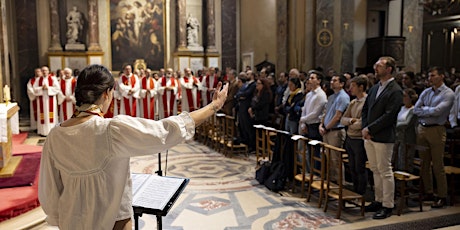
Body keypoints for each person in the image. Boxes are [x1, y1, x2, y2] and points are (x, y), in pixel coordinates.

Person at [38, 64, 228, 230]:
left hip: (72, 223)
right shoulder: (109, 129)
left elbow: (49, 192)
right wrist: (214, 106)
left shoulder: (54, 136)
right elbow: (165, 131)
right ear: (106, 93)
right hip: (112, 223)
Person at [362, 56, 403, 219]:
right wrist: (365, 127)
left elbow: (389, 116)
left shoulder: (395, 90)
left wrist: (371, 128)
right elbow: (365, 110)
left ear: (389, 69)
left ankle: (387, 205)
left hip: (383, 136)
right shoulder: (374, 88)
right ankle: (378, 200)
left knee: (385, 171)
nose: (375, 68)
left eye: (379, 66)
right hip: (369, 135)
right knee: (374, 169)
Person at [413, 66, 455, 208]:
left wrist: (425, 110)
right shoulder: (426, 92)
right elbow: (416, 109)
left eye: (433, 75)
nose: (429, 78)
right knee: (423, 164)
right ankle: (429, 191)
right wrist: (426, 111)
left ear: (441, 76)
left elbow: (438, 111)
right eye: (429, 76)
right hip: (422, 129)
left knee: (438, 165)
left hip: (436, 130)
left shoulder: (448, 93)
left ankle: (442, 195)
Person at [319, 73, 350, 183]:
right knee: (327, 159)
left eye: (335, 80)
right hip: (327, 130)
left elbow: (337, 116)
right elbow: (326, 113)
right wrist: (321, 125)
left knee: (335, 159)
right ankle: (330, 183)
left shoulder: (343, 97)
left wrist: (326, 127)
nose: (332, 82)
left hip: (335, 131)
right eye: (331, 80)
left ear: (342, 84)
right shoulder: (332, 96)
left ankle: (339, 185)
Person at [340, 75, 368, 195]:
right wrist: (351, 121)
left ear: (361, 87)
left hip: (359, 139)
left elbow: (361, 123)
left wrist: (351, 122)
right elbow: (343, 119)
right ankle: (354, 191)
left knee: (359, 167)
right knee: (352, 167)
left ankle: (361, 193)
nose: (350, 88)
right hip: (350, 137)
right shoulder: (353, 102)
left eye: (353, 86)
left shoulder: (366, 102)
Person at [32, 66, 61, 136]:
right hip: (41, 100)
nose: (44, 72)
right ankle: (43, 132)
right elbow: (34, 89)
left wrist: (48, 88)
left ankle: (52, 131)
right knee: (42, 115)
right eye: (43, 71)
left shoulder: (53, 79)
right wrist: (41, 88)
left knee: (51, 115)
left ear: (48, 71)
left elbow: (57, 88)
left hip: (50, 99)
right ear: (41, 72)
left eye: (46, 70)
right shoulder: (38, 79)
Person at [395, 88, 418, 172]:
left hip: (407, 138)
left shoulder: (413, 110)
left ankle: (407, 183)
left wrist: (394, 125)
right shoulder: (400, 108)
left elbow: (406, 123)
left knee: (405, 161)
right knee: (396, 160)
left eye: (404, 96)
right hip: (397, 137)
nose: (402, 98)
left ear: (411, 98)